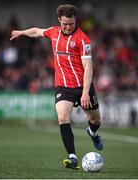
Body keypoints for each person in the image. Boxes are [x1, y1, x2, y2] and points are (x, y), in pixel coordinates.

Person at [10, 4, 103, 170]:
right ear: (59, 20)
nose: (68, 27)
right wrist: (21, 32)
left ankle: (93, 132)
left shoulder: (83, 39)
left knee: (96, 120)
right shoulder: (53, 32)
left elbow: (88, 67)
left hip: (83, 86)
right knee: (62, 117)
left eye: (71, 24)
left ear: (76, 21)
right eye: (65, 24)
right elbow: (37, 31)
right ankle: (72, 157)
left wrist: (85, 93)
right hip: (63, 87)